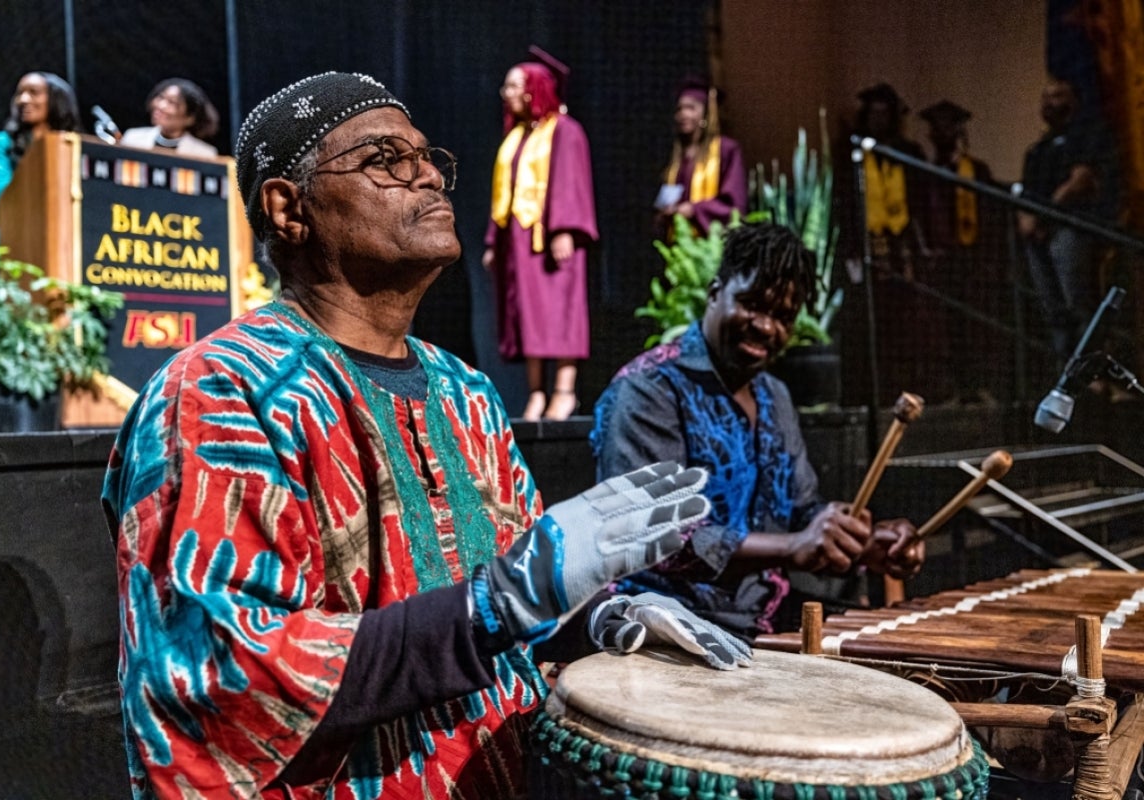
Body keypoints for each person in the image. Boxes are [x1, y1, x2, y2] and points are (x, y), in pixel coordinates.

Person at [102, 71, 749, 799]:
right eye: (385, 159)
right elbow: (219, 676)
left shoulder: (466, 392)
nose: (429, 177)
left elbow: (514, 603)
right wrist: (497, 603)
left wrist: (601, 616)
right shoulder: (220, 392)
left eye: (429, 157)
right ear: (288, 208)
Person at [590, 223, 926, 641]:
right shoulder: (648, 388)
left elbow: (802, 512)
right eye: (751, 305)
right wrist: (794, 547)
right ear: (715, 293)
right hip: (663, 626)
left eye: (783, 317)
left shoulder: (775, 395)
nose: (767, 327)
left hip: (759, 622)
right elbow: (647, 536)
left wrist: (865, 544)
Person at [482, 47, 598, 422]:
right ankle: (535, 394)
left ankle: (564, 392)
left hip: (552, 241)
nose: (506, 92)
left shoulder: (565, 130)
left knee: (561, 312)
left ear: (533, 89)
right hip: (520, 244)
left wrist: (565, 230)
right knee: (530, 316)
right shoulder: (517, 136)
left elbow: (571, 182)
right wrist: (492, 242)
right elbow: (505, 190)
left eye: (514, 86)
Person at [837, 82, 946, 406]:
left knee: (906, 323)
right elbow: (843, 204)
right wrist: (850, 252)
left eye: (886, 113)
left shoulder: (907, 153)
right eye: (875, 113)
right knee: (867, 321)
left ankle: (907, 388)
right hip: (866, 247)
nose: (880, 120)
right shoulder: (850, 152)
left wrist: (924, 246)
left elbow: (922, 203)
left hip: (902, 250)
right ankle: (870, 391)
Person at [1018, 78, 1118, 360]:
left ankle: (1092, 372)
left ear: (1073, 100)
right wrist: (1027, 219)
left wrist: (1043, 216)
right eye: (1046, 97)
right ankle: (1064, 373)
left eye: (1058, 95)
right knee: (1053, 308)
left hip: (1071, 228)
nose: (1051, 103)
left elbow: (1080, 182)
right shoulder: (1038, 149)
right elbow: (1025, 192)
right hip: (1039, 236)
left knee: (1078, 302)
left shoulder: (1088, 135)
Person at [918, 99, 1000, 405]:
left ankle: (978, 385)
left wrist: (990, 259)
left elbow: (990, 217)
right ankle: (950, 387)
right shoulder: (924, 173)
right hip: (941, 262)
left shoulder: (976, 171)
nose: (943, 132)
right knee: (944, 329)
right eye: (937, 127)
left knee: (977, 328)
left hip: (973, 262)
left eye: (949, 126)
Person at [0, 71, 82, 242]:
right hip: (15, 241)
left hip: (67, 241)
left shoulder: (73, 144)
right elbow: (0, 194)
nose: (23, 100)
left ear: (56, 100)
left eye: (33, 93)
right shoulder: (2, 143)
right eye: (20, 93)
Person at [655, 76, 747, 238]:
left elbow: (734, 206)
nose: (683, 114)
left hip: (711, 247)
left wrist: (694, 210)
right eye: (679, 109)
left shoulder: (725, 150)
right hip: (679, 246)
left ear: (705, 113)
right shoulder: (676, 156)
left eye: (691, 108)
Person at [119, 78, 219, 158]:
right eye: (161, 97)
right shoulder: (132, 139)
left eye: (172, 103)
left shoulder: (204, 154)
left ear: (190, 118)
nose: (161, 105)